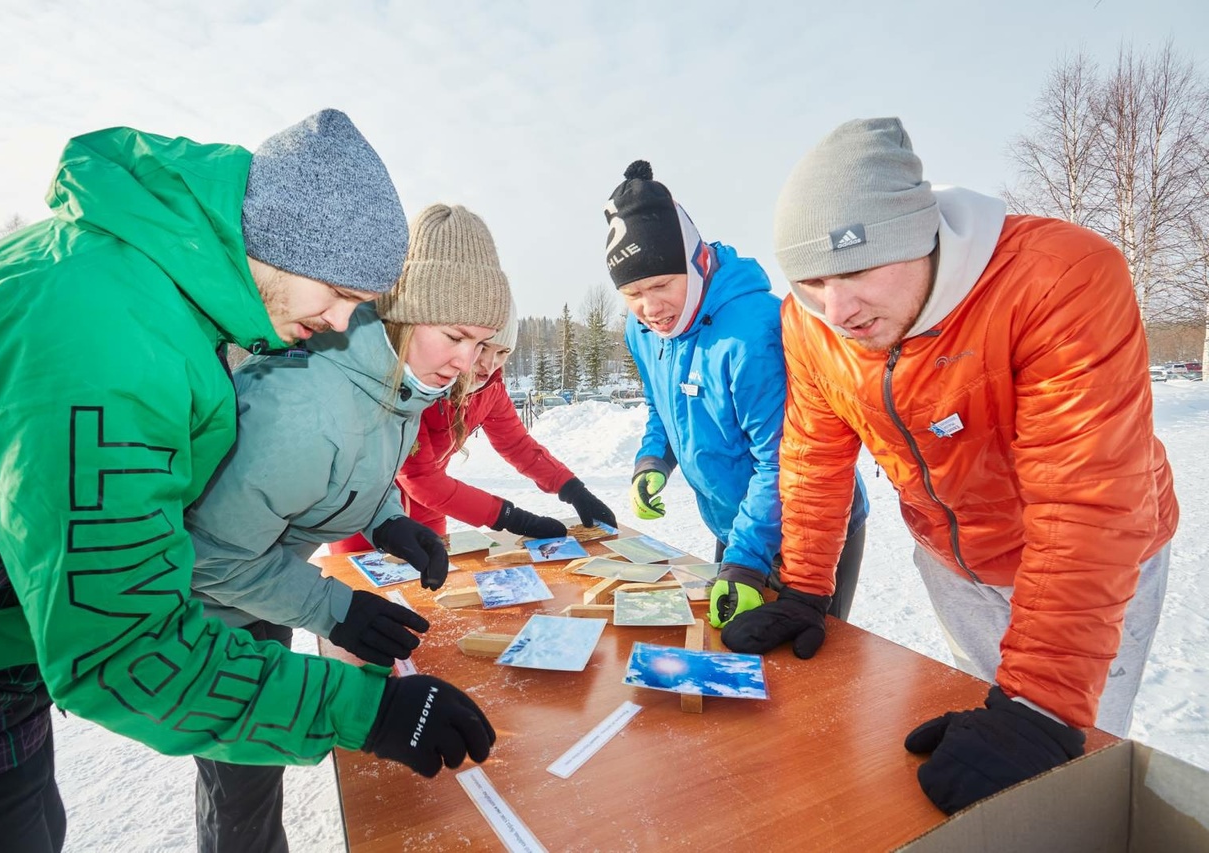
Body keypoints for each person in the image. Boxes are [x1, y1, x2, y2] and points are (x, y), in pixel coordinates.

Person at [0, 111, 492, 852]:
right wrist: (366, 710)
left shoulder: (161, 296)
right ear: (284, 243)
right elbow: (124, 648)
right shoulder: (99, 334)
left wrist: (386, 516)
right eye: (340, 294)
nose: (342, 323)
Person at [726, 116, 1179, 815]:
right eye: (812, 279)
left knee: (1068, 762)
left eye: (855, 268)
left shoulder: (1058, 277)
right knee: (976, 740)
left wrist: (1043, 703)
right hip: (954, 565)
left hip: (1096, 563)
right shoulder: (810, 322)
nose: (837, 308)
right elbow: (813, 457)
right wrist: (806, 587)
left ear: (918, 234)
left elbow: (1087, 499)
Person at [184, 203, 511, 852]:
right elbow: (211, 558)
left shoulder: (399, 381)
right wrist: (334, 608)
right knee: (242, 801)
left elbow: (356, 471)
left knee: (259, 774)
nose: (467, 362)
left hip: (262, 589)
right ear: (408, 309)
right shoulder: (306, 406)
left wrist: (388, 520)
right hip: (208, 619)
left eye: (481, 344)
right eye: (455, 335)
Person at [602, 161, 869, 629]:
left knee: (802, 670)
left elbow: (783, 459)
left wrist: (745, 559)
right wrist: (653, 460)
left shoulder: (753, 332)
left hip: (806, 527)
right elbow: (662, 407)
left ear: (697, 262)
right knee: (731, 653)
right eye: (632, 292)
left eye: (662, 284)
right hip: (736, 525)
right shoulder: (642, 329)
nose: (650, 307)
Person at [331, 300, 617, 554]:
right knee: (364, 603)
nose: (489, 364)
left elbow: (518, 446)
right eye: (483, 348)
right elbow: (421, 478)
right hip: (365, 516)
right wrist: (510, 517)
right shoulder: (421, 385)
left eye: (502, 352)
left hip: (429, 512)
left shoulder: (490, 390)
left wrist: (573, 489)